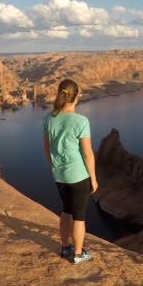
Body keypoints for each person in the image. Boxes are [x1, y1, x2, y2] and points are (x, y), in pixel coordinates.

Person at [43, 78, 98, 265]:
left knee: (66, 212)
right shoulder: (81, 121)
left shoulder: (48, 119)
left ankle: (65, 247)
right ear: (76, 97)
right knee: (79, 217)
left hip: (59, 175)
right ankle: (78, 254)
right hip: (79, 176)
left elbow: (47, 149)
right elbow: (88, 153)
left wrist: (55, 167)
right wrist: (94, 178)